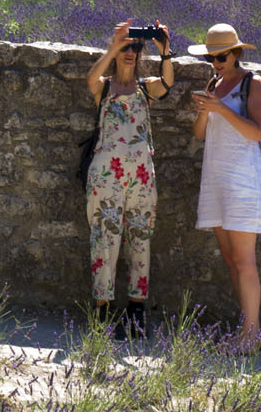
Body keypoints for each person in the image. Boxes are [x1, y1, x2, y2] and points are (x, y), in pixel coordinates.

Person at [84, 18, 174, 337]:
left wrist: (164, 51)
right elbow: (91, 78)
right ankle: (103, 315)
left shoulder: (145, 88)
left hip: (140, 180)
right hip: (106, 178)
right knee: (104, 241)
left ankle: (136, 317)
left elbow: (167, 84)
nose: (130, 53)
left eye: (136, 47)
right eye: (127, 47)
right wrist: (114, 46)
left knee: (140, 241)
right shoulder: (106, 87)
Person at [189, 23, 261, 354]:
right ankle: (246, 331)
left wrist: (220, 108)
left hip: (245, 181)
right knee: (229, 257)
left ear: (236, 53)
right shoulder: (214, 84)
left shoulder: (254, 84)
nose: (216, 62)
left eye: (221, 56)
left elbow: (255, 132)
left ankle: (251, 337)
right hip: (217, 179)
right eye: (211, 56)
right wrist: (203, 110)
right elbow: (200, 134)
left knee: (244, 260)